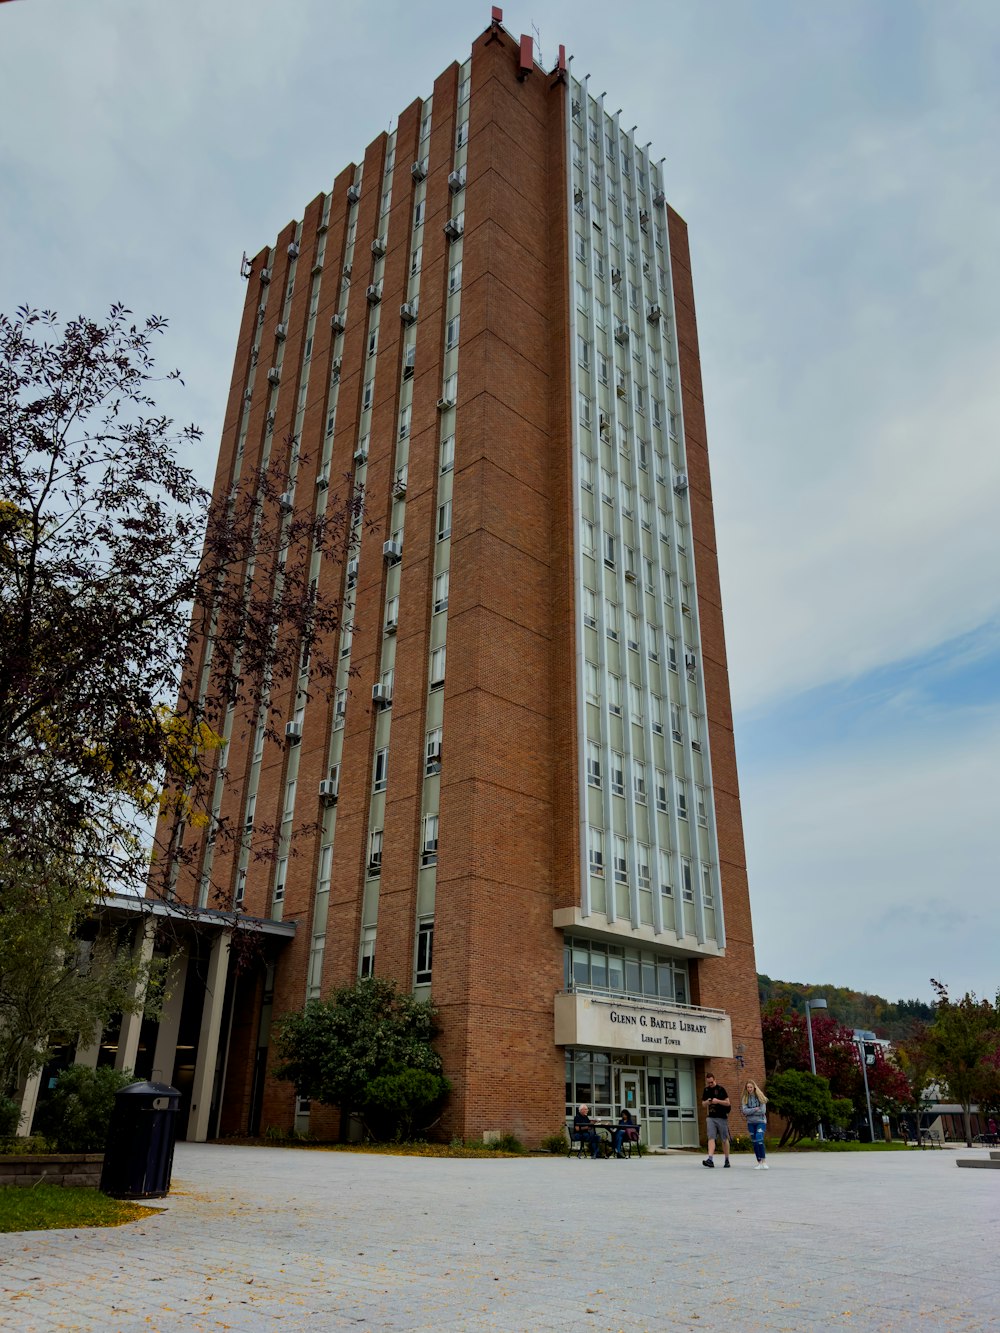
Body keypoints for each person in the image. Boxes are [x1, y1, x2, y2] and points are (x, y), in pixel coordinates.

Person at [701, 1071, 731, 1167]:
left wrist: (717, 1101)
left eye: (711, 1082)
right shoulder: (706, 1090)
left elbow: (728, 1103)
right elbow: (703, 1104)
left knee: (724, 1139)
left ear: (715, 1080)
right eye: (708, 1083)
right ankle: (710, 1159)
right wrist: (708, 1102)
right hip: (711, 1117)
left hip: (721, 1117)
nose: (710, 1084)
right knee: (711, 1137)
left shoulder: (721, 1089)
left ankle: (727, 1159)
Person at [740, 1079, 769, 1169]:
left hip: (760, 1122)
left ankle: (764, 1161)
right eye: (748, 1087)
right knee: (754, 1143)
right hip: (751, 1123)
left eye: (751, 1087)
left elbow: (763, 1110)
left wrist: (751, 1111)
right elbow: (744, 1111)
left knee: (759, 1139)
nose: (749, 1089)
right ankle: (759, 1162)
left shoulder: (760, 1097)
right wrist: (755, 1109)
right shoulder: (745, 1098)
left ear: (754, 1087)